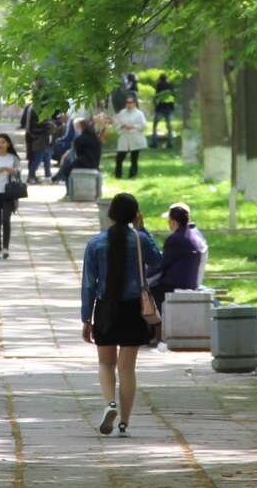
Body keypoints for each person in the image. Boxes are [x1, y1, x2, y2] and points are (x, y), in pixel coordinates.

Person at [80, 193, 162, 437]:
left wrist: (86, 318)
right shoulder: (140, 240)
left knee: (106, 363)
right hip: (132, 309)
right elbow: (157, 260)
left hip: (105, 308)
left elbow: (88, 284)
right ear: (135, 215)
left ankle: (110, 404)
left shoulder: (95, 244)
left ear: (111, 214)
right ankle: (124, 421)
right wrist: (143, 229)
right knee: (127, 368)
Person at [151, 203, 206, 310]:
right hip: (191, 284)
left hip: (173, 287)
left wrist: (145, 276)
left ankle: (154, 326)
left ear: (173, 222)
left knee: (147, 295)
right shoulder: (196, 237)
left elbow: (161, 264)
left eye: (169, 221)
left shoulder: (174, 239)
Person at [112, 95, 149, 178]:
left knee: (134, 159)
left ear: (134, 103)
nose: (129, 104)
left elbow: (143, 126)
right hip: (125, 137)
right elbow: (117, 124)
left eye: (131, 102)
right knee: (119, 158)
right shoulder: (122, 112)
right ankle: (118, 175)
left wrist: (133, 126)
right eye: (127, 102)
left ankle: (132, 175)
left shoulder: (139, 114)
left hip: (135, 137)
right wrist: (122, 126)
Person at [24, 105, 54, 182]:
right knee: (37, 158)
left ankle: (48, 175)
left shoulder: (35, 107)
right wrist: (48, 126)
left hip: (41, 137)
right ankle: (31, 176)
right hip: (39, 137)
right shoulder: (36, 108)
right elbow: (35, 124)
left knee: (46, 156)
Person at [151, 78, 177, 146]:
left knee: (155, 126)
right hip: (169, 108)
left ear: (160, 79)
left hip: (160, 108)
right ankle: (170, 143)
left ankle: (154, 143)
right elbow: (173, 97)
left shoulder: (159, 85)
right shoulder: (170, 85)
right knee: (169, 126)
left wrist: (154, 105)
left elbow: (156, 96)